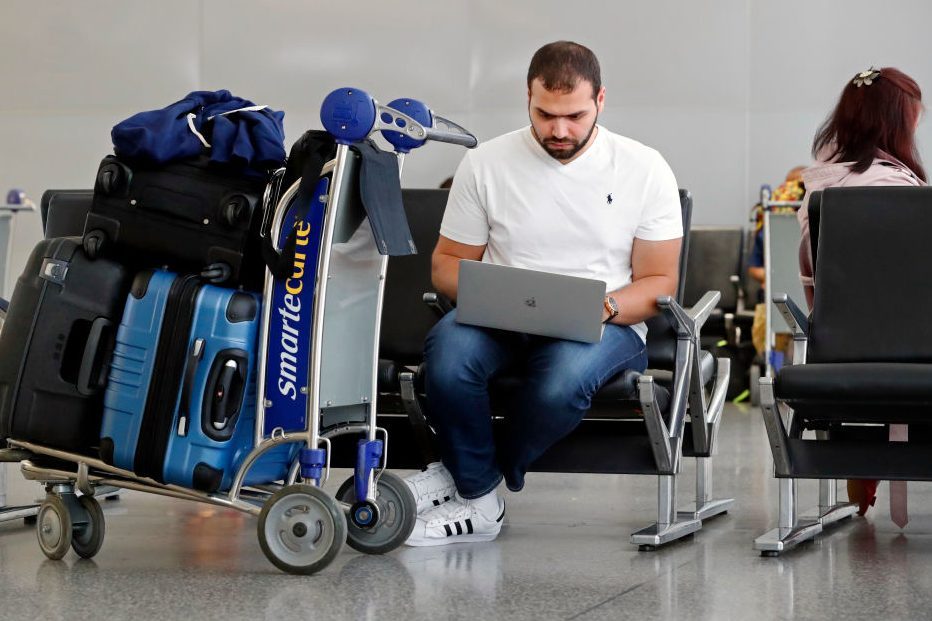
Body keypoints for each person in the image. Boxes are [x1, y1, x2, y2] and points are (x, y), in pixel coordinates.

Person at [404, 41, 683, 546]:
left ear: (601, 99)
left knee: (560, 383)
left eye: (574, 115)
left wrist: (606, 306)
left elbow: (660, 282)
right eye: (545, 114)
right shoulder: (486, 163)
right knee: (447, 357)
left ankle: (471, 481)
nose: (559, 130)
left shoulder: (644, 168)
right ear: (527, 99)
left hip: (606, 320)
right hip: (502, 314)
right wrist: (495, 290)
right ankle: (480, 496)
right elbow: (446, 266)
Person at [796, 66, 926, 520]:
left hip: (839, 349)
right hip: (913, 349)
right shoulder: (901, 192)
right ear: (898, 122)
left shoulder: (818, 189)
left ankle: (866, 455)